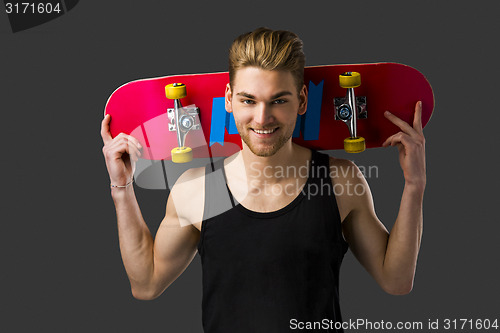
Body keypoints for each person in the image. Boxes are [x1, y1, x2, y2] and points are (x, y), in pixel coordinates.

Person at [101, 27, 426, 332]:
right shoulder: (198, 189)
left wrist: (414, 186)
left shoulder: (338, 180)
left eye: (278, 101)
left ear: (302, 101)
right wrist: (122, 189)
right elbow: (146, 285)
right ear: (228, 99)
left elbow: (396, 281)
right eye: (248, 100)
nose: (262, 117)